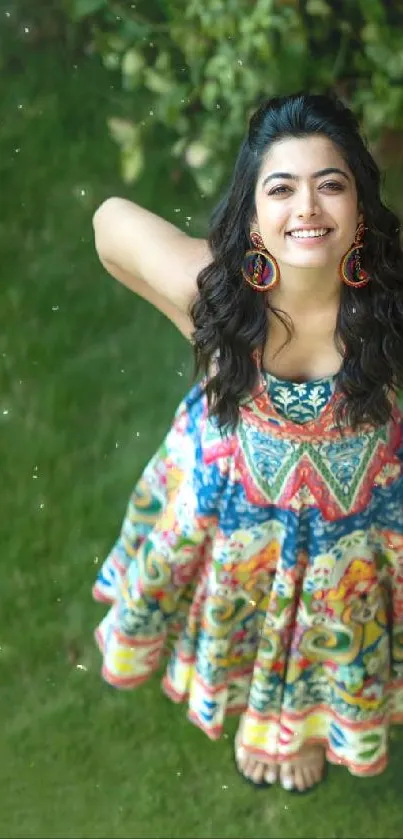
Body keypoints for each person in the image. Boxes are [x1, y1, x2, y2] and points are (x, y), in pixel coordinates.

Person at [92, 92, 403, 793]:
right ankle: (264, 720)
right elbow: (109, 224)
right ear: (253, 217)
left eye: (330, 184)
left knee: (340, 622)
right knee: (246, 619)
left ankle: (310, 728)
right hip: (238, 508)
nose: (307, 208)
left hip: (358, 521)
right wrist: (193, 325)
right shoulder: (218, 298)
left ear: (358, 205)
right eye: (281, 188)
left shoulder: (388, 302)